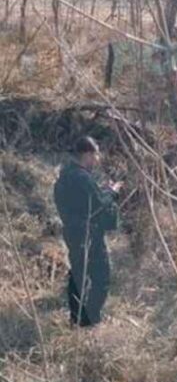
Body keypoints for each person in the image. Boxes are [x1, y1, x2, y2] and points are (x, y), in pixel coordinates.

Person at [53, 136, 121, 327]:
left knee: (78, 275)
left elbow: (85, 202)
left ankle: (76, 319)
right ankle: (90, 321)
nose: (97, 159)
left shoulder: (64, 176)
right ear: (88, 154)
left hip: (72, 232)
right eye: (96, 154)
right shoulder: (83, 178)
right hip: (89, 235)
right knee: (101, 277)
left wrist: (103, 191)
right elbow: (98, 205)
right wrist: (112, 192)